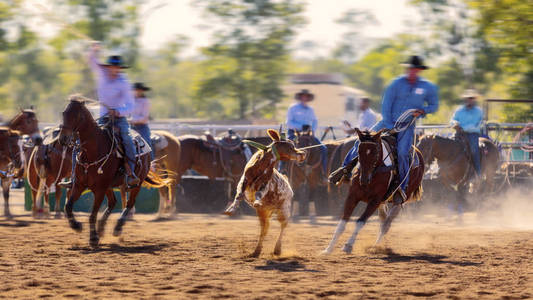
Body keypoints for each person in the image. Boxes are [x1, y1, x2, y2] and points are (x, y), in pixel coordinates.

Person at [329, 55, 439, 203]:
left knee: (402, 154)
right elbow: (386, 103)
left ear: (419, 70)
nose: (412, 71)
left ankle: (401, 187)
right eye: (410, 69)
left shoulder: (427, 87)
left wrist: (423, 110)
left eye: (415, 69)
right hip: (387, 121)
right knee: (360, 142)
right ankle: (345, 170)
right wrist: (388, 122)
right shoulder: (396, 84)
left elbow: (434, 105)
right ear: (407, 69)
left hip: (407, 126)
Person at [61, 42, 139, 188]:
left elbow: (131, 105)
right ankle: (74, 177)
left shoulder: (124, 82)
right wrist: (94, 49)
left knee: (127, 139)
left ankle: (130, 173)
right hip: (103, 117)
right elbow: (91, 60)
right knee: (80, 141)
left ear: (120, 69)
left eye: (116, 68)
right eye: (111, 67)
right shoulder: (101, 73)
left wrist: (118, 111)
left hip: (119, 119)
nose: (113, 70)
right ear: (108, 67)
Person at [281, 89, 328, 177]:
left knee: (323, 148)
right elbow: (289, 123)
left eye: (306, 96)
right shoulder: (293, 108)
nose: (305, 98)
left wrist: (313, 130)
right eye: (303, 96)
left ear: (308, 98)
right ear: (300, 97)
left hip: (308, 134)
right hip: (294, 133)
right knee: (284, 147)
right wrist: (301, 126)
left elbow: (315, 121)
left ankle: (323, 173)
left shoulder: (311, 109)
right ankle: (282, 169)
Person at [450, 89, 483, 177]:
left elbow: (479, 124)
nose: (470, 100)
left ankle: (478, 172)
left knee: (474, 150)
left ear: (474, 100)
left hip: (472, 134)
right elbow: (452, 120)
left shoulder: (478, 111)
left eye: (471, 98)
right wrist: (455, 124)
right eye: (468, 98)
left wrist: (465, 128)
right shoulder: (459, 110)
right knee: (450, 147)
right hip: (460, 133)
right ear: (465, 100)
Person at [131, 82, 154, 160]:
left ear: (142, 91)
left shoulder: (145, 101)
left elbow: (144, 117)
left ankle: (151, 162)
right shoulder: (130, 100)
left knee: (147, 142)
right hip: (130, 126)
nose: (137, 92)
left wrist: (131, 120)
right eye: (136, 90)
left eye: (139, 90)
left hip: (142, 127)